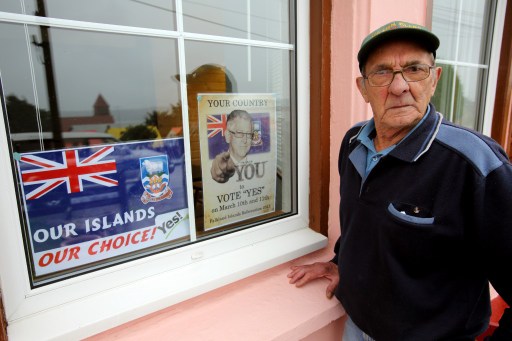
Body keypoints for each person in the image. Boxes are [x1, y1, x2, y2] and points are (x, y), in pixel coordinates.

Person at [288, 21, 512, 340]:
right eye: (381, 72)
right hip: (357, 327)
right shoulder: (354, 142)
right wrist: (341, 262)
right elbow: (362, 219)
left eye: (414, 69)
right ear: (362, 87)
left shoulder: (474, 164)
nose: (399, 86)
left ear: (434, 80)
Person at [210, 109, 254, 183]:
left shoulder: (260, 161)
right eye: (239, 133)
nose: (245, 140)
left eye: (249, 134)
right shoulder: (218, 164)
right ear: (228, 136)